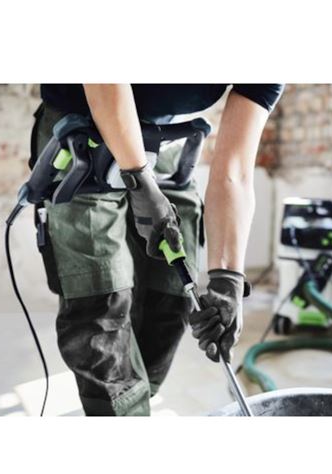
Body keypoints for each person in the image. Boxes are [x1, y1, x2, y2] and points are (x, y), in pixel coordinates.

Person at [31, 84, 283, 415]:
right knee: (101, 304)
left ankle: (136, 401)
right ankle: (120, 412)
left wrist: (228, 279)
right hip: (83, 130)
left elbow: (234, 173)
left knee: (171, 294)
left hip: (164, 143)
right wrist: (138, 179)